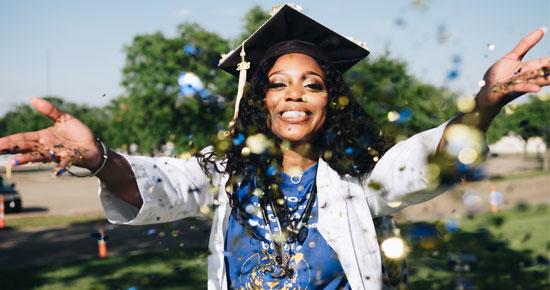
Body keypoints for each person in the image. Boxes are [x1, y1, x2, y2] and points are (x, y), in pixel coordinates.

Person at [0, 4, 548, 290]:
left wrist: (488, 100)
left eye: (312, 83)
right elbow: (158, 184)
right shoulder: (225, 176)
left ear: (332, 99)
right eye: (278, 82)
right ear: (259, 98)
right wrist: (98, 159)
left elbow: (428, 158)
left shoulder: (361, 179)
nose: (294, 95)